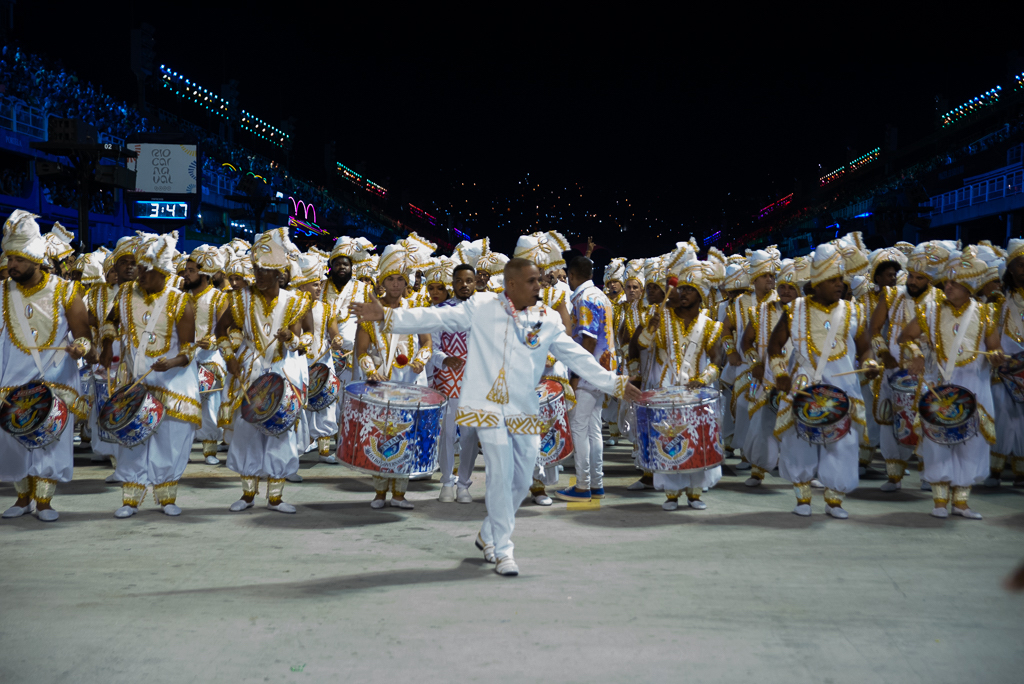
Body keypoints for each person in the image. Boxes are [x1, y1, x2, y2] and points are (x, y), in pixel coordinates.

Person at [353, 257, 641, 576]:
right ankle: (502, 549)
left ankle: (488, 532)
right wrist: (388, 316)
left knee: (521, 480)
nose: (538, 287)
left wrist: (614, 382)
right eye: (532, 281)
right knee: (501, 475)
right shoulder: (482, 308)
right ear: (511, 285)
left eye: (540, 281)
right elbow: (436, 317)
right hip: (487, 408)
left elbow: (576, 356)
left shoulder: (545, 319)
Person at [768, 243, 879, 518]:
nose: (840, 285)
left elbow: (865, 347)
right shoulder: (794, 309)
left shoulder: (853, 311)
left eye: (841, 280)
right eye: (833, 280)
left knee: (843, 443)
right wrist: (781, 373)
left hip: (844, 389)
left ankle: (834, 500)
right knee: (799, 441)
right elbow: (774, 346)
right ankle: (802, 498)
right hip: (804, 387)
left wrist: (870, 363)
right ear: (816, 282)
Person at [897, 246, 1006, 519]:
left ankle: (961, 503)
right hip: (940, 386)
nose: (947, 287)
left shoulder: (985, 314)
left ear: (969, 287)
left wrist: (995, 357)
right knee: (938, 442)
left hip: (975, 386)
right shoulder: (930, 312)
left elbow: (996, 350)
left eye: (954, 284)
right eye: (946, 282)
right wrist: (918, 354)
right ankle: (938, 502)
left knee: (972, 443)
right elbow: (905, 338)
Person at [99, 232, 200, 518]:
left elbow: (190, 349)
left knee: (170, 440)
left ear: (162, 271)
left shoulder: (181, 301)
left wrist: (173, 362)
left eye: (144, 269)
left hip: (172, 384)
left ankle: (166, 497)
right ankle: (130, 499)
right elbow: (110, 322)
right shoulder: (125, 295)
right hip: (137, 384)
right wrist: (107, 344)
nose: (138, 273)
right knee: (133, 440)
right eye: (137, 268)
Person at [1, 210, 92, 522]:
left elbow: (85, 336)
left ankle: (44, 503)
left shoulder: (66, 291)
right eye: (9, 258)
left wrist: (80, 347)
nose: (11, 265)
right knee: (12, 443)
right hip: (11, 382)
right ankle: (22, 497)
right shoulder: (1, 293)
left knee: (50, 442)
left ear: (36, 259)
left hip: (54, 380)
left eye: (19, 259)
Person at [215, 228, 313, 514]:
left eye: (265, 270)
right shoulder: (240, 298)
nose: (258, 274)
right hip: (247, 373)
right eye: (257, 268)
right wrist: (229, 356)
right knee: (246, 432)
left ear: (280, 274)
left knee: (279, 432)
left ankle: (275, 497)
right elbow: (221, 331)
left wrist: (291, 340)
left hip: (281, 374)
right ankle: (247, 495)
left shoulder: (295, 302)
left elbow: (308, 337)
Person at [636, 250, 725, 510]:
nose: (682, 294)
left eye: (690, 290)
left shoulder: (710, 325)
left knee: (696, 439)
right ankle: (671, 493)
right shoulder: (661, 318)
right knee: (670, 439)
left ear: (701, 295)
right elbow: (641, 345)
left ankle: (695, 492)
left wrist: (705, 378)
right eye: (681, 288)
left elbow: (718, 357)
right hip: (666, 391)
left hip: (696, 395)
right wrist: (650, 328)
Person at [355, 240, 433, 508]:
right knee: (381, 433)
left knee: (406, 434)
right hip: (382, 382)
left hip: (410, 381)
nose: (396, 285)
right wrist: (371, 371)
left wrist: (421, 360)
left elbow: (427, 343)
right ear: (383, 282)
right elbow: (361, 351)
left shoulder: (414, 310)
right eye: (391, 279)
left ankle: (399, 493)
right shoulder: (369, 312)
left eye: (401, 279)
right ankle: (379, 492)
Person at [863, 243, 938, 492]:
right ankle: (894, 476)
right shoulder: (892, 295)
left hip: (927, 372)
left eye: (920, 278)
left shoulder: (939, 302)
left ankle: (928, 475)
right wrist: (883, 353)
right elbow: (874, 330)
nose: (913, 282)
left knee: (927, 420)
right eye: (912, 276)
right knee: (889, 419)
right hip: (893, 371)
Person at [555, 256, 616, 503]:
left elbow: (588, 340)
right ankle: (596, 483)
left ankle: (582, 486)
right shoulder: (601, 296)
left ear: (571, 275)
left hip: (588, 371)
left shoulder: (584, 299)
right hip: (604, 370)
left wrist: (577, 375)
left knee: (579, 428)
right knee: (593, 428)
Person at [739, 257, 799, 487]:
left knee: (798, 426)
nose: (784, 291)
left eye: (790, 288)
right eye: (781, 286)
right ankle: (757, 471)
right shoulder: (758, 311)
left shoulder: (806, 312)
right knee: (760, 425)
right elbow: (743, 342)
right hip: (763, 377)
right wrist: (753, 362)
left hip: (796, 378)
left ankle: (802, 473)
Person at [428, 260, 475, 503]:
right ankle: (446, 482)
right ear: (453, 284)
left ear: (475, 282)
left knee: (469, 435)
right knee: (446, 433)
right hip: (447, 379)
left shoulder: (486, 311)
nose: (464, 285)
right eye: (459, 281)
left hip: (475, 381)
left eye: (469, 281)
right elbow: (433, 348)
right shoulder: (441, 311)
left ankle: (464, 485)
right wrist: (445, 360)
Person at [183, 245, 230, 465]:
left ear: (203, 273)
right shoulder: (180, 298)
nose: (186, 274)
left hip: (210, 358)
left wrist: (212, 341)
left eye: (191, 271)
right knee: (183, 402)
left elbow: (225, 330)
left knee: (210, 404)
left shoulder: (218, 298)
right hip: (185, 358)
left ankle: (210, 449)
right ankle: (182, 446)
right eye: (186, 270)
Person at [988, 239, 1024, 487]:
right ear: (1010, 268)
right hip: (1003, 369)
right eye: (1021, 264)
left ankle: (1021, 472)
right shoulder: (998, 300)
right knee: (1003, 417)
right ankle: (996, 470)